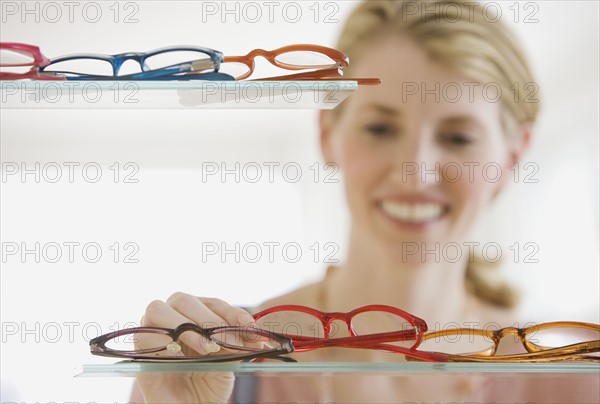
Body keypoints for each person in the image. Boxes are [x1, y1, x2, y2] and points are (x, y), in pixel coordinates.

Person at [130, 0, 568, 402]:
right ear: (326, 133)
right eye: (379, 129)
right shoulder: (224, 360)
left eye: (458, 137)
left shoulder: (567, 379)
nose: (415, 172)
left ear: (512, 157)